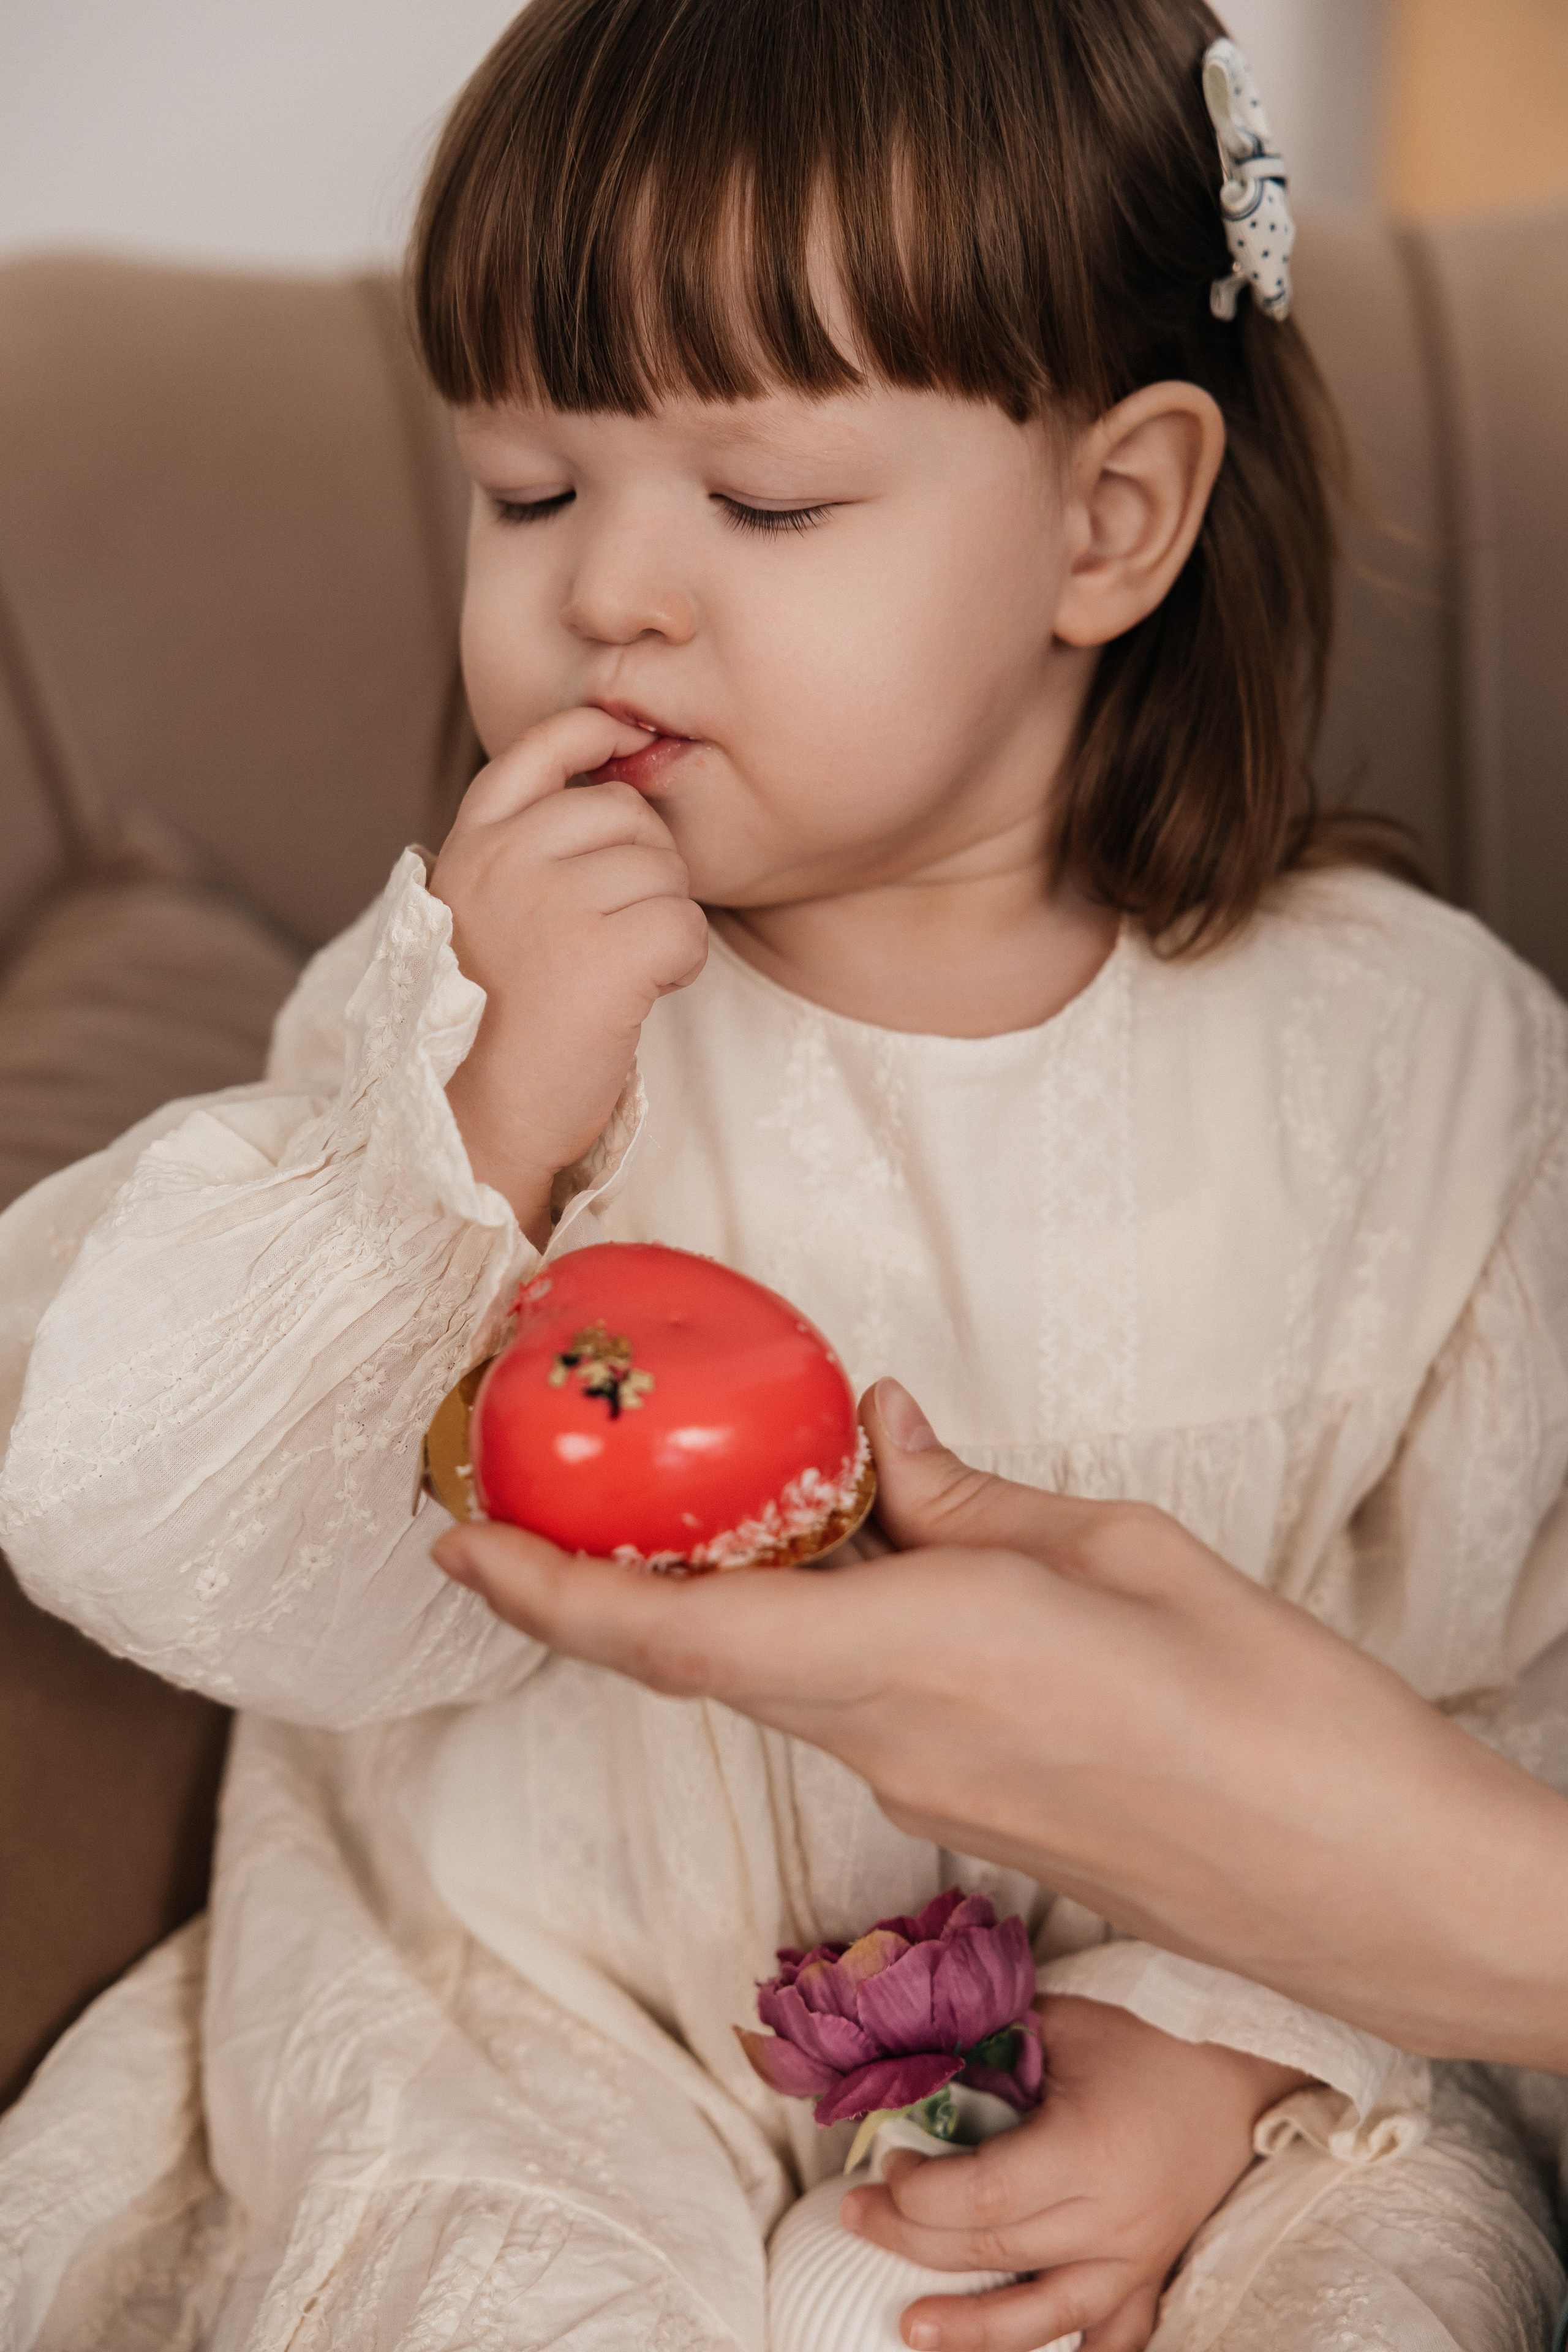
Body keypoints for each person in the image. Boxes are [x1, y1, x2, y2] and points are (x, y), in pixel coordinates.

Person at [1, 2, 1565, 2348]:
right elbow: (157, 1528)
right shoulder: (475, 1002)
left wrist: (1246, 2049)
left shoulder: (1423, 1069)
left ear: (1110, 518)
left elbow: (1522, 1679)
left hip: (1205, 2067)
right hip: (533, 2017)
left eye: (765, 504)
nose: (610, 592)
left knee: (1377, 2294)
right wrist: (470, 1125)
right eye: (531, 489)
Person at [433, 1376, 1568, 2076]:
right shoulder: (499, 1049)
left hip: (1220, 2116)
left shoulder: (1475, 1090)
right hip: (564, 2012)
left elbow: (1502, 1690)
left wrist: (1242, 2055)